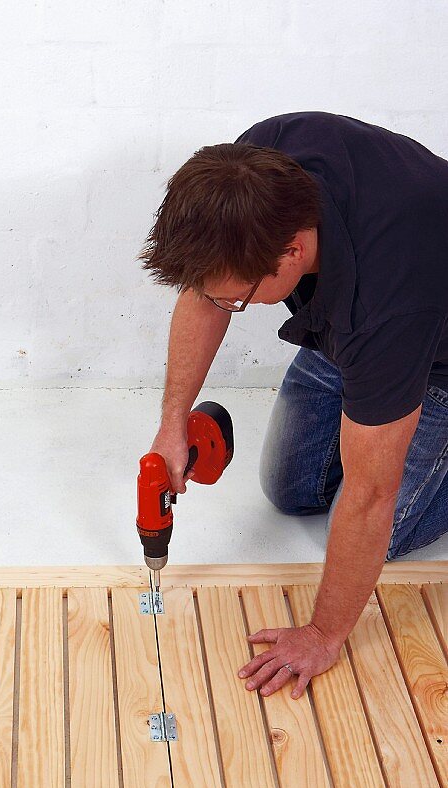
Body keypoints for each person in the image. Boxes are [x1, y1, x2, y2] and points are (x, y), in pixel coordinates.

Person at [138, 110, 448, 699]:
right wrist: (171, 425)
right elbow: (204, 294)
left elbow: (371, 494)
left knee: (372, 522)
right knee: (290, 491)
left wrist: (323, 633)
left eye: (239, 302)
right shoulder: (260, 164)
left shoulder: (388, 307)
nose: (229, 307)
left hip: (430, 355)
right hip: (352, 328)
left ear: (293, 251)